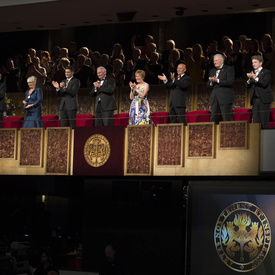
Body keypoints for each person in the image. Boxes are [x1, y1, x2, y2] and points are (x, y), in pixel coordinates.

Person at [247, 55, 274, 128]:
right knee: (256, 122)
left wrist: (255, 77)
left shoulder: (266, 72)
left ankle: (265, 138)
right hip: (255, 100)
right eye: (253, 63)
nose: (253, 64)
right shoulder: (253, 73)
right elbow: (248, 86)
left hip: (264, 100)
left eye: (255, 62)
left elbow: (264, 83)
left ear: (261, 63)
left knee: (264, 121)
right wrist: (249, 80)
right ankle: (256, 138)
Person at [207, 53, 235, 123]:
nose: (214, 62)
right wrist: (211, 82)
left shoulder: (229, 69)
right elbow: (208, 85)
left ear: (222, 61)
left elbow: (230, 82)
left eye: (216, 60)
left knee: (226, 118)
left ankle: (229, 132)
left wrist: (218, 80)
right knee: (214, 118)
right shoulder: (212, 71)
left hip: (225, 97)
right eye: (214, 61)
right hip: (215, 97)